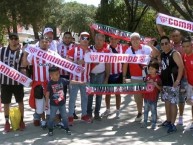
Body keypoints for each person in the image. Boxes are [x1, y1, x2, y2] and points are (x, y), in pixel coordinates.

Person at [122, 32, 159, 122]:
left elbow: (157, 54)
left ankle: (152, 113)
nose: (135, 41)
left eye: (136, 38)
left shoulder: (146, 48)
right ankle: (139, 112)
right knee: (137, 97)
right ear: (130, 41)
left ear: (140, 40)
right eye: (133, 39)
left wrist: (152, 46)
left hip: (148, 77)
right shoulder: (128, 50)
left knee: (150, 95)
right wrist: (123, 76)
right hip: (135, 77)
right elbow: (125, 64)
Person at [26, 36, 59, 129]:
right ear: (39, 42)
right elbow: (26, 63)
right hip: (38, 83)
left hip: (50, 83)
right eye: (42, 41)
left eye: (46, 41)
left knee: (50, 103)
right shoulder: (33, 53)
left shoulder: (53, 54)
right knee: (40, 104)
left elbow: (60, 65)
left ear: (49, 43)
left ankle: (50, 120)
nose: (44, 43)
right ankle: (43, 121)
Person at [157, 25, 186, 125]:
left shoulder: (175, 53)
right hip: (165, 83)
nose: (164, 45)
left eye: (166, 43)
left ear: (170, 44)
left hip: (174, 83)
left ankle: (173, 124)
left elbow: (181, 67)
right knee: (167, 102)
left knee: (173, 104)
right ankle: (168, 120)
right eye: (162, 44)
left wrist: (177, 81)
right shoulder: (162, 54)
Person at [0, 33, 25, 132]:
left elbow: (24, 67)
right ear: (9, 40)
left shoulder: (21, 53)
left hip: (17, 83)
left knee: (20, 102)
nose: (14, 40)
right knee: (6, 103)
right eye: (12, 38)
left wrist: (25, 76)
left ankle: (21, 121)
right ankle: (7, 122)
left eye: (16, 38)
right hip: (4, 82)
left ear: (18, 40)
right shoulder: (2, 51)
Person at [67, 32, 92, 125]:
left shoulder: (91, 51)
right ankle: (70, 116)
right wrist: (77, 62)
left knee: (85, 98)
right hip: (74, 79)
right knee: (72, 98)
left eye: (87, 38)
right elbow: (67, 62)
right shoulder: (74, 50)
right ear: (80, 39)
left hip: (86, 79)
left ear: (89, 40)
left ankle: (84, 115)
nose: (85, 40)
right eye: (83, 38)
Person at [87, 33, 110, 120]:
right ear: (95, 40)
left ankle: (97, 113)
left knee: (99, 95)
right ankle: (89, 113)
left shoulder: (106, 51)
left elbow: (108, 65)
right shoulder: (89, 50)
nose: (99, 42)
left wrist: (107, 77)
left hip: (101, 74)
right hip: (90, 75)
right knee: (89, 94)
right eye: (98, 40)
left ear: (104, 41)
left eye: (101, 40)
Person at [101, 36, 124, 118]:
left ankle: (118, 111)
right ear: (109, 39)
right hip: (108, 74)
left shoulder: (122, 47)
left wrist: (124, 76)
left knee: (118, 94)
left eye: (115, 39)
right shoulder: (106, 47)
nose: (113, 40)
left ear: (118, 39)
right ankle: (108, 110)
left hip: (119, 74)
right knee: (108, 93)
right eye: (111, 39)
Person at [57, 31, 78, 119]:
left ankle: (72, 112)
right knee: (61, 95)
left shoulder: (75, 47)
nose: (67, 39)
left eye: (69, 37)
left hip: (72, 75)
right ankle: (62, 113)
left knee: (73, 95)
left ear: (71, 38)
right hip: (61, 75)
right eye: (65, 37)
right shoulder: (58, 46)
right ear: (63, 38)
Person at [45, 66, 71, 136]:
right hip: (53, 104)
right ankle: (50, 128)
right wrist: (46, 103)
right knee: (52, 117)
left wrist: (80, 82)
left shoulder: (62, 80)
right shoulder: (50, 83)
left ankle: (66, 127)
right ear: (51, 75)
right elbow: (47, 94)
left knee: (64, 116)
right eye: (55, 74)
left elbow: (70, 81)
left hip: (62, 103)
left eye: (58, 74)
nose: (57, 76)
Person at [141, 61, 161, 129]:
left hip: (153, 97)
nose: (150, 70)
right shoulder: (147, 77)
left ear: (156, 69)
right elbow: (144, 85)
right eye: (149, 69)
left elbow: (160, 88)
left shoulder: (158, 78)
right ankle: (145, 121)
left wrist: (156, 84)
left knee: (153, 110)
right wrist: (147, 82)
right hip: (146, 97)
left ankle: (154, 123)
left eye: (152, 69)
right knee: (145, 110)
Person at [181, 36, 193, 130]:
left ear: (191, 46)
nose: (185, 48)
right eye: (184, 46)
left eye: (187, 46)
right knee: (192, 105)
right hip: (190, 84)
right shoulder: (185, 56)